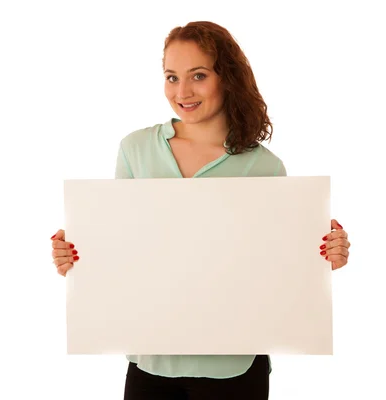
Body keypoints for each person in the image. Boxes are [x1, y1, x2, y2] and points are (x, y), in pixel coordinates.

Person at [49, 21, 351, 400]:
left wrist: (324, 254)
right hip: (152, 362)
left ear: (227, 78)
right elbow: (121, 250)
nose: (183, 91)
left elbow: (278, 268)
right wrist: (77, 258)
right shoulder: (136, 150)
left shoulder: (265, 167)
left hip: (237, 366)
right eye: (171, 77)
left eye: (198, 76)